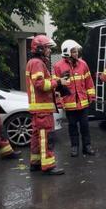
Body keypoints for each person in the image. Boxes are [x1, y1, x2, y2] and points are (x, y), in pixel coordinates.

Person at [25, 35, 65, 176]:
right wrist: (57, 83)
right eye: (47, 47)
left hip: (39, 108)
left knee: (37, 137)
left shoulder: (35, 62)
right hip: (42, 109)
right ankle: (48, 166)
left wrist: (57, 81)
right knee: (46, 137)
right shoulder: (37, 63)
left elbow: (43, 81)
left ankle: (35, 163)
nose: (49, 50)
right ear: (40, 48)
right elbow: (41, 84)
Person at [53, 40, 96, 157]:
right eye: (74, 51)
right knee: (72, 127)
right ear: (67, 52)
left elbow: (89, 82)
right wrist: (59, 102)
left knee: (85, 126)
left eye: (76, 51)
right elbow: (56, 87)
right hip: (69, 103)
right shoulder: (58, 66)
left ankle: (87, 146)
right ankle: (74, 147)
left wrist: (91, 95)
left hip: (83, 103)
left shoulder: (83, 64)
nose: (76, 53)